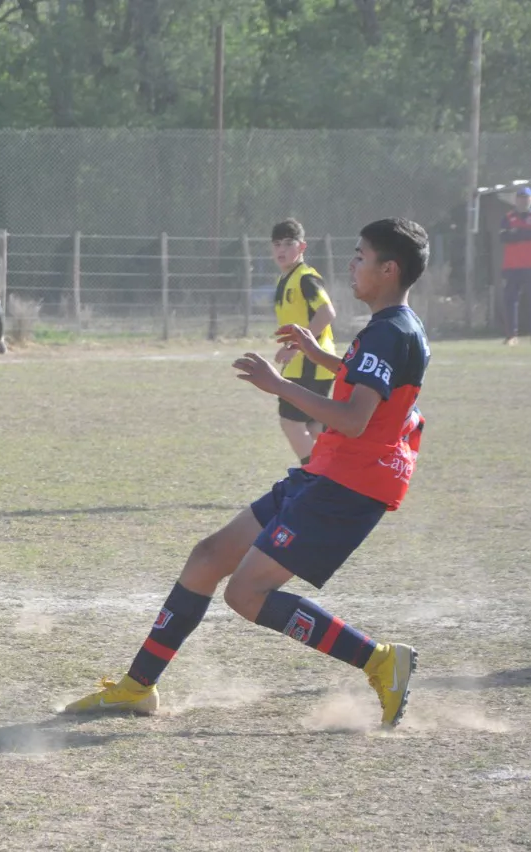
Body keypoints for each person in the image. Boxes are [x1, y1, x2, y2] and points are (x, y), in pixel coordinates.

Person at [62, 218, 431, 729]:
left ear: (389, 269)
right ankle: (137, 686)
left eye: (361, 256)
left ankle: (380, 660)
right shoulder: (394, 328)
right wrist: (318, 353)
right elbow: (366, 382)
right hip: (327, 472)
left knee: (245, 593)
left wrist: (279, 384)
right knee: (209, 555)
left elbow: (353, 418)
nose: (352, 263)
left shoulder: (390, 333)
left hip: (348, 486)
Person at [269, 219, 336, 464]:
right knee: (315, 426)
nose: (282, 250)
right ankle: (347, 470)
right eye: (277, 244)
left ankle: (315, 479)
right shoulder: (284, 280)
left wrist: (297, 346)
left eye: (289, 243)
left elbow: (327, 313)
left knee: (291, 421)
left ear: (302, 247)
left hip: (312, 361)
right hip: (306, 362)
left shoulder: (306, 278)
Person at [499, 186, 531, 346]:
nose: (523, 200)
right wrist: (525, 233)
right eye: (520, 197)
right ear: (516, 200)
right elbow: (503, 236)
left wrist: (516, 233)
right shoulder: (508, 217)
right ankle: (511, 336)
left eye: (526, 198)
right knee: (510, 300)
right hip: (511, 266)